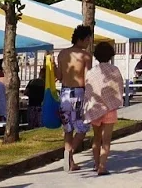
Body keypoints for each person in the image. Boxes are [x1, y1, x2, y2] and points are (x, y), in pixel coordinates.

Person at [54, 24, 95, 172]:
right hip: (78, 92)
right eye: (88, 39)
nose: (89, 42)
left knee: (68, 128)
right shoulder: (85, 56)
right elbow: (88, 78)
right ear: (83, 39)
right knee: (83, 127)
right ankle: (69, 153)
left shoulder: (63, 54)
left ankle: (70, 162)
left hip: (64, 92)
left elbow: (58, 76)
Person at [86, 41, 125, 177]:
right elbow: (119, 87)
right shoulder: (114, 70)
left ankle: (96, 164)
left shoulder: (91, 72)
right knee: (106, 139)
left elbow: (89, 91)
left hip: (95, 108)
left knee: (96, 138)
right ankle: (102, 166)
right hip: (110, 109)